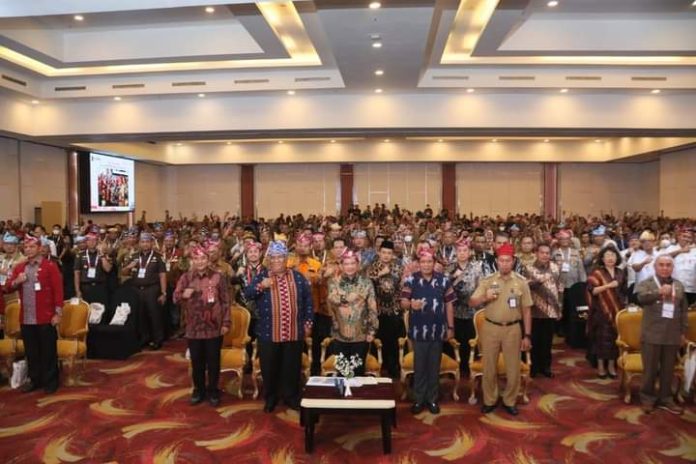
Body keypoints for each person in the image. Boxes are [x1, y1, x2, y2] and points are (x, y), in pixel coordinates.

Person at [244, 241, 313, 413]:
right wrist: (261, 286)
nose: (276, 261)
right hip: (269, 332)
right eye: (273, 258)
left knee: (291, 366)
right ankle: (271, 398)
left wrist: (308, 323)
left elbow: (308, 301)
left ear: (286, 259)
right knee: (269, 367)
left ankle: (291, 397)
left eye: (280, 257)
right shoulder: (261, 276)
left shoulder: (298, 277)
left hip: (293, 331)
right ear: (268, 260)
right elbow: (247, 294)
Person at [470, 243, 532, 416]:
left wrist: (527, 335)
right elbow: (472, 302)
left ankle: (509, 400)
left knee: (513, 368)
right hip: (490, 328)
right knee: (489, 367)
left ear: (513, 262)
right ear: (497, 261)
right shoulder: (488, 280)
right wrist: (485, 297)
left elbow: (527, 311)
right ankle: (489, 400)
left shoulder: (521, 282)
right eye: (502, 260)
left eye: (508, 261)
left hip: (513, 329)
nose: (505, 264)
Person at [173, 245, 230, 407]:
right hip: (194, 328)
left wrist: (226, 322)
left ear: (208, 259)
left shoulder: (218, 277)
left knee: (213, 362)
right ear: (192, 260)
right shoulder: (186, 277)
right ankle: (198, 390)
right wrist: (183, 294)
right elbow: (175, 297)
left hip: (214, 328)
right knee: (197, 362)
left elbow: (226, 301)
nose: (200, 262)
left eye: (203, 258)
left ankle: (213, 391)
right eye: (196, 259)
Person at [400, 249, 455, 415]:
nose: (426, 265)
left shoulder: (443, 280)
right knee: (419, 367)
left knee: (434, 367)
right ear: (419, 263)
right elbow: (403, 301)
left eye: (429, 261)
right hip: (419, 331)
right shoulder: (411, 280)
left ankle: (432, 399)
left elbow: (449, 304)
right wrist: (411, 304)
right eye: (423, 262)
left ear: (434, 263)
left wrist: (450, 327)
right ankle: (418, 399)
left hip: (437, 331)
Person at [6, 235, 63, 394]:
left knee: (48, 351)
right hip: (26, 317)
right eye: (26, 247)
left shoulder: (50, 266)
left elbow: (58, 291)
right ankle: (34, 379)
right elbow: (7, 287)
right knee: (31, 352)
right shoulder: (19, 267)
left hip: (46, 316)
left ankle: (51, 381)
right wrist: (17, 281)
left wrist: (58, 313)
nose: (28, 250)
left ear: (39, 248)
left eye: (32, 247)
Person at [636, 255, 689, 415]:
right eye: (661, 265)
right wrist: (658, 292)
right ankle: (647, 398)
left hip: (672, 335)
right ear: (655, 267)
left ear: (672, 268)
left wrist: (682, 332)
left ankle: (666, 398)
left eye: (668, 265)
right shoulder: (647, 283)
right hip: (652, 334)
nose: (665, 268)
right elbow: (641, 298)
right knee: (650, 370)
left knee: (668, 370)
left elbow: (683, 311)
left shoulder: (678, 285)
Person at [328, 250, 379, 376]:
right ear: (341, 265)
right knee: (342, 372)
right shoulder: (334, 281)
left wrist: (372, 330)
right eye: (346, 264)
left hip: (361, 334)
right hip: (339, 334)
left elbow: (372, 307)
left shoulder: (366, 282)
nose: (349, 267)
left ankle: (356, 389)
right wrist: (346, 298)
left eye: (352, 263)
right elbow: (332, 299)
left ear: (357, 265)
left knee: (357, 372)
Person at [585, 246, 627, 379]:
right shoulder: (597, 272)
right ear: (602, 258)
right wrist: (608, 286)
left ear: (617, 257)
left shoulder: (621, 272)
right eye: (607, 255)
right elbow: (592, 291)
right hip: (600, 311)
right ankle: (601, 367)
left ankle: (611, 366)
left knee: (614, 339)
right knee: (601, 339)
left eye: (613, 255)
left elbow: (624, 291)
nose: (610, 258)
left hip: (617, 311)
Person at [124, 232, 167, 350]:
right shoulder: (134, 256)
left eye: (147, 242)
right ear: (139, 243)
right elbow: (124, 272)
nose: (145, 244)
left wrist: (163, 293)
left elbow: (162, 275)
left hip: (152, 289)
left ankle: (157, 339)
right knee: (140, 315)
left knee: (154, 315)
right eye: (143, 242)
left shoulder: (158, 257)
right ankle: (144, 338)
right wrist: (129, 266)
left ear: (151, 243)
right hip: (137, 290)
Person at [525, 243, 562, 378]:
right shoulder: (529, 268)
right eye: (542, 253)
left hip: (551, 310)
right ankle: (534, 367)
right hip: (535, 310)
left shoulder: (555, 267)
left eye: (547, 253)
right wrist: (539, 281)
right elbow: (525, 286)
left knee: (547, 342)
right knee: (535, 341)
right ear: (536, 253)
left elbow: (559, 288)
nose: (545, 255)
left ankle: (546, 367)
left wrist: (560, 307)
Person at [368, 240, 404, 378]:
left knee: (393, 341)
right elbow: (367, 286)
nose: (386, 255)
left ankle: (393, 367)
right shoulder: (372, 267)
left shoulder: (398, 268)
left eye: (389, 253)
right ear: (379, 253)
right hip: (378, 311)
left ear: (393, 254)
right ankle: (376, 368)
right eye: (384, 252)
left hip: (394, 310)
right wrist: (380, 275)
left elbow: (401, 288)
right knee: (378, 340)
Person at [447, 238, 482, 376]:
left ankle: (468, 367)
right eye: (459, 251)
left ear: (469, 252)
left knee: (469, 340)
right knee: (454, 340)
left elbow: (480, 287)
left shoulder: (476, 267)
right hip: (454, 311)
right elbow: (444, 289)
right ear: (456, 252)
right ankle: (453, 368)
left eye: (465, 250)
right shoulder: (450, 268)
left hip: (471, 311)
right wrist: (453, 278)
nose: (462, 253)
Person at [552, 230, 587, 336]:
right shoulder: (555, 253)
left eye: (566, 239)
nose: (564, 241)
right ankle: (560, 329)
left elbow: (581, 269)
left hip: (574, 285)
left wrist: (583, 284)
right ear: (559, 240)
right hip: (559, 285)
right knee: (560, 306)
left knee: (572, 307)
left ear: (570, 240)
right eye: (562, 239)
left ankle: (571, 329)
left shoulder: (576, 253)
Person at [73, 233, 112, 306]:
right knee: (86, 310)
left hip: (100, 287)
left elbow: (108, 269)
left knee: (101, 310)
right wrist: (77, 290)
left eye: (94, 240)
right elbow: (77, 274)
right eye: (89, 240)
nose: (92, 242)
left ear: (97, 241)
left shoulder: (103, 254)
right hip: (85, 287)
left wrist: (102, 255)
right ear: (86, 242)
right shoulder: (80, 255)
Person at [666, 229, 696, 305]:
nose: (686, 239)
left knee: (690, 311)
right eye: (684, 236)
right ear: (678, 237)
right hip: (674, 288)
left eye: (689, 237)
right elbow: (662, 258)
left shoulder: (695, 251)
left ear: (692, 239)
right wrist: (680, 251)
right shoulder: (671, 248)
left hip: (691, 289)